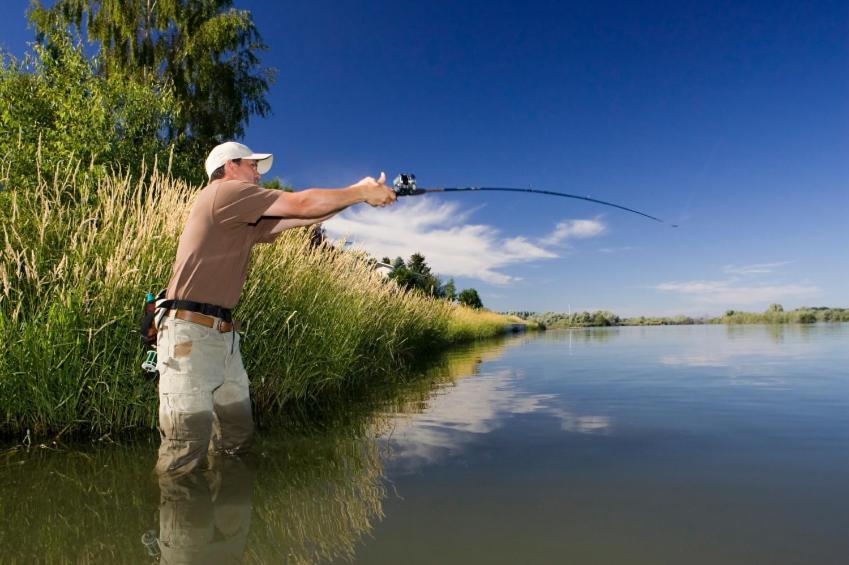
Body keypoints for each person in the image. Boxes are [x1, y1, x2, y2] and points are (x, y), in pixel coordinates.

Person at [155, 141, 396, 475]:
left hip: (224, 338)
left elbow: (300, 216)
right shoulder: (225, 194)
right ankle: (181, 522)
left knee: (236, 442)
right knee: (184, 452)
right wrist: (360, 193)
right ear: (229, 167)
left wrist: (357, 193)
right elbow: (301, 202)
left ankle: (227, 521)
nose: (257, 174)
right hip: (189, 337)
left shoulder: (241, 214)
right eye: (252, 165)